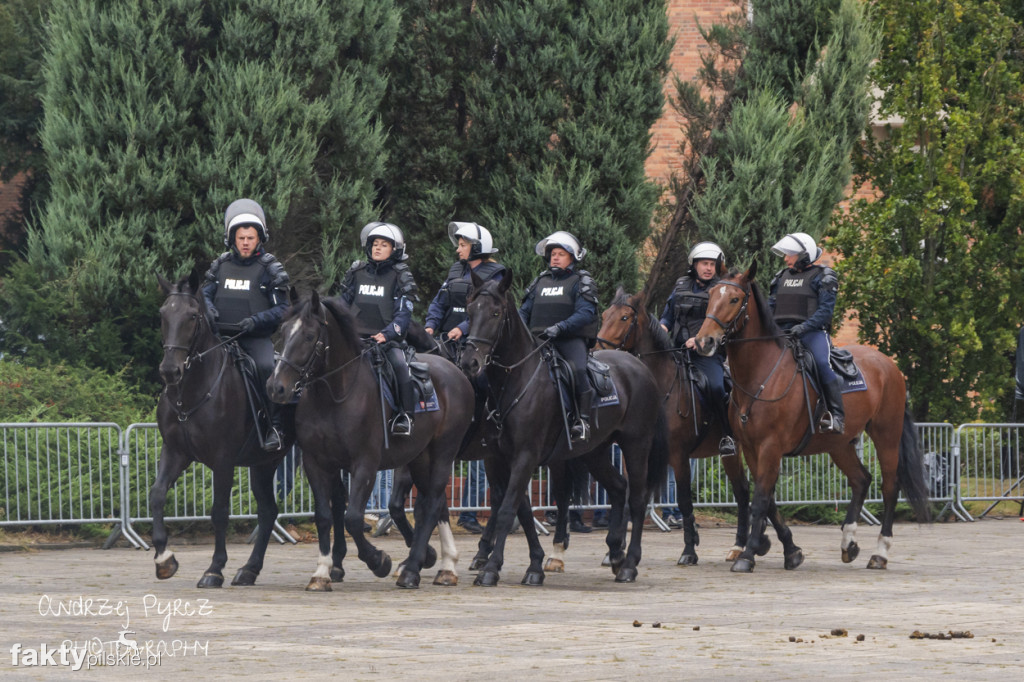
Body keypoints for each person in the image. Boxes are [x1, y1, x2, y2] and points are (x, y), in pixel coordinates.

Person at [425, 221, 506, 533]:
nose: (458, 248)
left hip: (474, 345)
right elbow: (438, 302)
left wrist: (464, 328)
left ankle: (492, 426)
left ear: (478, 246)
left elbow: (489, 312)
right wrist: (431, 325)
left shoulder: (495, 274)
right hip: (447, 342)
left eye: (462, 243)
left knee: (482, 387)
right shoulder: (454, 272)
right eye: (458, 243)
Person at [203, 198, 290, 451]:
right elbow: (205, 293)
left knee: (266, 369)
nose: (245, 243)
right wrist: (209, 308)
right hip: (220, 337)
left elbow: (283, 308)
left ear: (259, 238)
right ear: (232, 238)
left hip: (255, 339)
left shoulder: (271, 268)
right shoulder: (220, 265)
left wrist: (255, 321)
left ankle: (274, 426)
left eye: (250, 238)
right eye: (241, 238)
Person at [519, 231, 600, 442]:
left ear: (573, 257)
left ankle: (582, 421)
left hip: (569, 340)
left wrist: (561, 327)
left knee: (579, 370)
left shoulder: (581, 280)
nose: (555, 257)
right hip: (538, 341)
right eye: (553, 253)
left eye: (561, 253)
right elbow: (524, 312)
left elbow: (586, 313)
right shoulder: (540, 281)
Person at [338, 222, 418, 435]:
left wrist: (386, 334)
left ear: (395, 250)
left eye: (384, 244)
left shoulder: (401, 275)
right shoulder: (356, 271)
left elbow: (404, 314)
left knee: (401, 367)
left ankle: (405, 416)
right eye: (375, 244)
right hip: (353, 341)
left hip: (386, 341)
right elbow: (342, 306)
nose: (378, 248)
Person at [658, 241, 736, 456]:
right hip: (676, 351)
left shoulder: (721, 289)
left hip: (706, 353)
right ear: (694, 264)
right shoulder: (681, 284)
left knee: (716, 387)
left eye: (712, 264)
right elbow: (668, 314)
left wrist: (698, 339)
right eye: (704, 263)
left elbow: (722, 323)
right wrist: (662, 327)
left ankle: (726, 435)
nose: (709, 268)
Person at [768, 232, 844, 434]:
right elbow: (770, 307)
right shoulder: (780, 277)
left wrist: (804, 327)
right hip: (782, 335)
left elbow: (825, 311)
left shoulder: (823, 276)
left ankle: (836, 415)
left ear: (803, 255)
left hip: (811, 333)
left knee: (821, 362)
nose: (786, 259)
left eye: (790, 255)